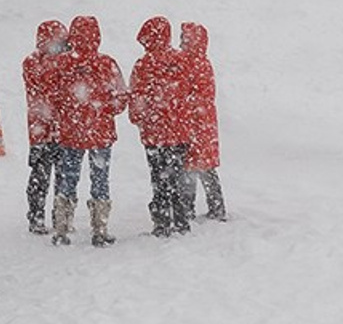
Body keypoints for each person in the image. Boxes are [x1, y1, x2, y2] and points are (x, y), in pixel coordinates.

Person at [50, 13, 125, 246]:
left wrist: (67, 114)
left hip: (71, 132)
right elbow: (121, 97)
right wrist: (104, 110)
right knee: (100, 179)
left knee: (68, 179)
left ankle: (61, 227)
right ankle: (99, 228)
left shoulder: (62, 63)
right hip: (100, 132)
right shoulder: (107, 63)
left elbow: (53, 96)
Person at [125, 15, 195, 236]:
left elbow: (137, 97)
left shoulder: (144, 65)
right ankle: (182, 219)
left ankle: (162, 220)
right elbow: (191, 93)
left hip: (155, 133)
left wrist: (139, 120)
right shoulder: (183, 60)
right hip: (180, 130)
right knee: (178, 174)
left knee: (159, 177)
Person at [19, 21, 68, 236]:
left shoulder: (32, 62)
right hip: (57, 127)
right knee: (57, 175)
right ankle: (54, 216)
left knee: (42, 174)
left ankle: (39, 215)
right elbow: (54, 89)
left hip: (41, 129)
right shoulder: (51, 64)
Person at [180, 21, 228, 221]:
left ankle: (190, 207)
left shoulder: (192, 64)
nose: (181, 43)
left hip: (195, 123)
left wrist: (184, 104)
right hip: (202, 124)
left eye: (185, 39)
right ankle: (215, 206)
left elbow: (198, 95)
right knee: (201, 167)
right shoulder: (200, 63)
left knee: (194, 168)